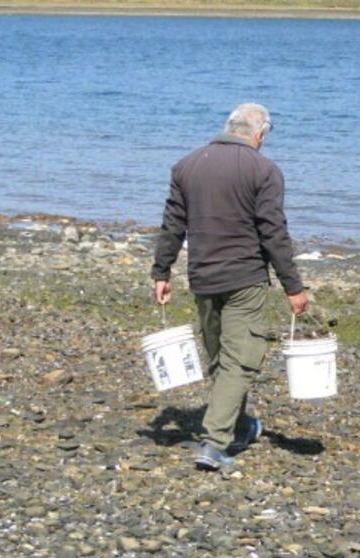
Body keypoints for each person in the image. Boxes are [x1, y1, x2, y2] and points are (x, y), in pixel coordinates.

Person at [151, 103, 310, 471]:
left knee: (223, 359)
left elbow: (172, 224)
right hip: (245, 278)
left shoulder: (188, 165)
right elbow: (273, 232)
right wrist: (293, 287)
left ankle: (236, 425)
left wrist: (161, 272)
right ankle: (214, 444)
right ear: (260, 134)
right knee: (239, 360)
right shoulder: (263, 169)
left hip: (203, 277)